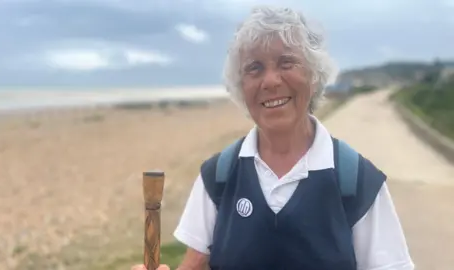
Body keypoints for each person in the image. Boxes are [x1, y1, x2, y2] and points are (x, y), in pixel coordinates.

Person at [132, 5, 414, 270]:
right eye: (254, 68)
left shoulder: (358, 182)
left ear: (314, 76)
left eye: (286, 62)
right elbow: (195, 263)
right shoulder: (218, 176)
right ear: (241, 86)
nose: (270, 81)